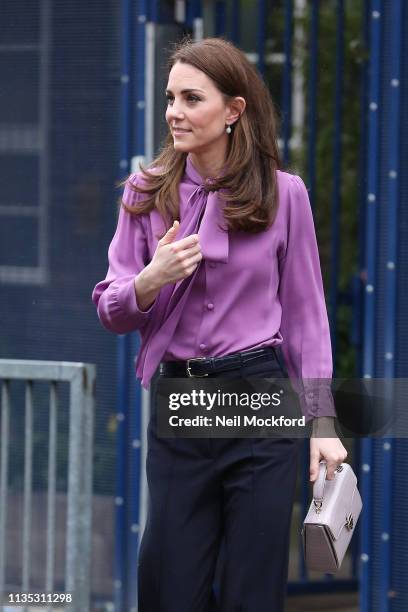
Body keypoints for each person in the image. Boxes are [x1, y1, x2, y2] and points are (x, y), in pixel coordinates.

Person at [92, 36, 347, 612]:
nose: (173, 112)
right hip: (181, 402)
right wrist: (151, 277)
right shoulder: (145, 193)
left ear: (234, 111)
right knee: (168, 583)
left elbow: (307, 315)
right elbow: (112, 309)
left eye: (191, 98)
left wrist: (323, 422)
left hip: (261, 400)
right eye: (169, 98)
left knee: (251, 591)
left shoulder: (286, 195)